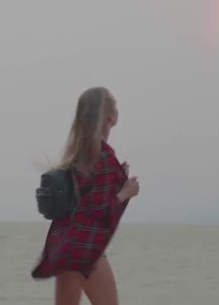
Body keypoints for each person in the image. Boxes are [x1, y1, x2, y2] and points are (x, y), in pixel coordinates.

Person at [31, 86, 140, 305]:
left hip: (64, 248)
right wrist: (127, 191)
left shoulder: (77, 154)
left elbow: (84, 203)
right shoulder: (104, 155)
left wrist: (118, 182)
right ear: (111, 117)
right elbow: (100, 212)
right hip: (87, 251)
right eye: (116, 107)